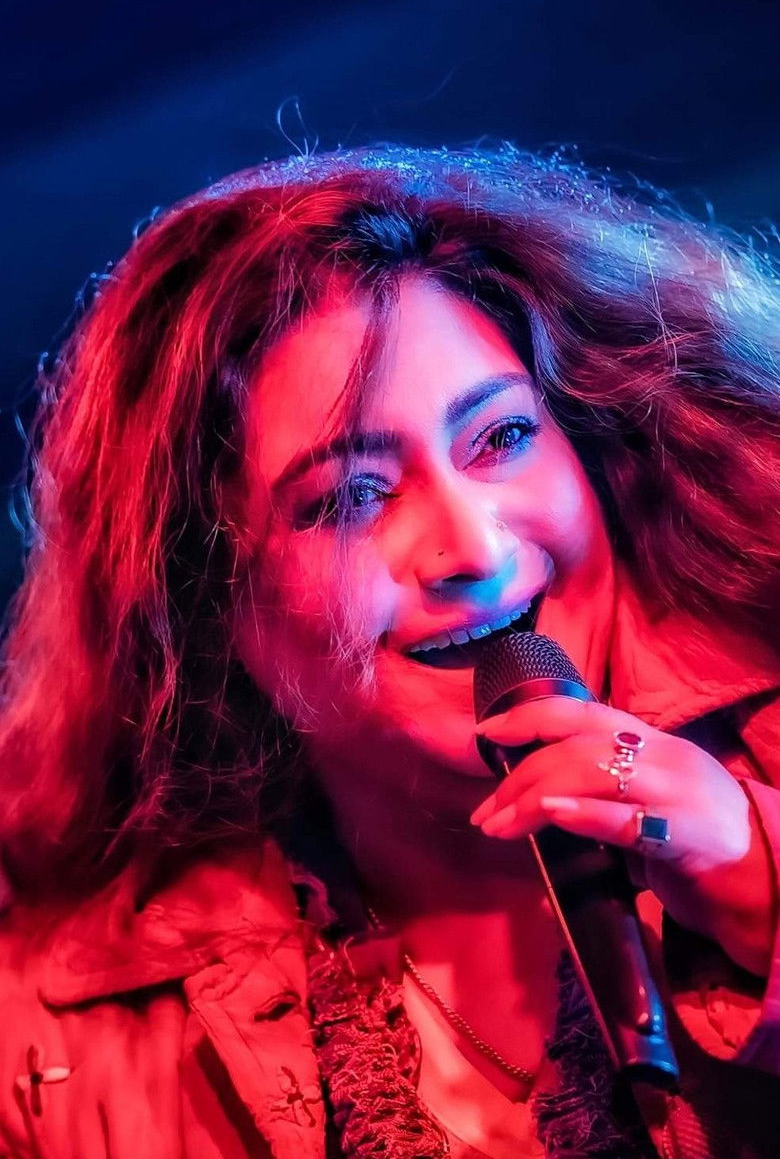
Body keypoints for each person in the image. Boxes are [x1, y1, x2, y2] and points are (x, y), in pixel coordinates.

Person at [0, 145, 779, 1159]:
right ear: (205, 603)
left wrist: (762, 894)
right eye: (350, 497)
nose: (475, 550)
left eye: (500, 437)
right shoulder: (53, 1024)